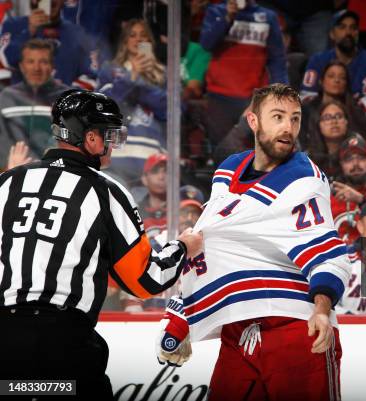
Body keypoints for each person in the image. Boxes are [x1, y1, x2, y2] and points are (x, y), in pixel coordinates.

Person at [0, 89, 203, 400]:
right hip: (64, 345)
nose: (112, 144)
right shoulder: (105, 192)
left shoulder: (8, 182)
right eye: (108, 134)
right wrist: (184, 247)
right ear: (91, 138)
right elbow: (147, 280)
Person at [156, 83, 351, 401]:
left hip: (296, 327)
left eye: (295, 118)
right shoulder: (229, 168)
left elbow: (326, 249)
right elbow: (213, 240)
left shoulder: (304, 179)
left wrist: (322, 309)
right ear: (253, 121)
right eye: (278, 117)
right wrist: (180, 317)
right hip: (238, 330)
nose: (288, 127)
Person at [199, 0, 288, 160]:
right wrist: (227, 18)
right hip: (219, 96)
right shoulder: (216, 11)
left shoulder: (268, 17)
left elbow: (277, 59)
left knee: (250, 157)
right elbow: (206, 43)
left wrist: (282, 92)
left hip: (252, 99)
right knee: (221, 154)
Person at [97, 18, 167, 187]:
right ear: (125, 41)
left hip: (153, 159)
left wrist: (139, 83)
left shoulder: (165, 73)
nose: (138, 40)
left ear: (150, 41)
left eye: (144, 35)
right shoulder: (110, 70)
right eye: (132, 35)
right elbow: (103, 107)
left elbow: (172, 110)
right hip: (117, 157)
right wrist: (131, 76)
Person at [0, 39, 69, 166]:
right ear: (21, 66)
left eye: (43, 62)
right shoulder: (6, 97)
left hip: (54, 173)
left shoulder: (68, 98)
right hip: (12, 172)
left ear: (52, 66)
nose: (36, 68)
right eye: (30, 61)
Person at [0, 0, 98, 89]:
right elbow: (5, 62)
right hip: (23, 104)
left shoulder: (77, 33)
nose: (50, 1)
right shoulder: (12, 25)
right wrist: (29, 32)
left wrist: (67, 94)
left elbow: (91, 76)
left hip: (61, 105)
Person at [301, 9, 366, 101]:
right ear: (332, 34)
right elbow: (306, 96)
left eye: (353, 28)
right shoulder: (317, 60)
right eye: (342, 27)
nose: (348, 32)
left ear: (357, 33)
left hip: (356, 114)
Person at [301, 60, 366, 141]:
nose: (337, 80)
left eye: (342, 77)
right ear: (321, 81)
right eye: (331, 76)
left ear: (346, 83)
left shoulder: (356, 112)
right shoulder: (307, 110)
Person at [303, 99, 354, 180]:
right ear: (318, 124)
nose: (334, 121)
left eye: (339, 116)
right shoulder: (308, 159)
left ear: (346, 122)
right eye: (327, 118)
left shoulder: (358, 152)